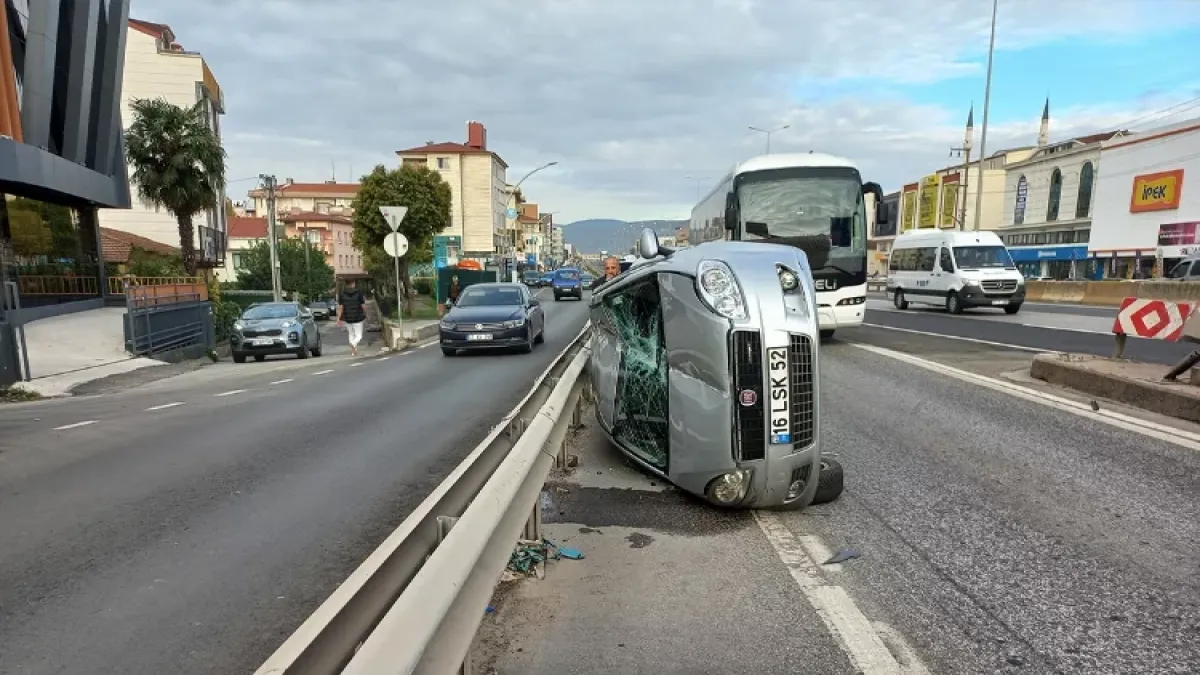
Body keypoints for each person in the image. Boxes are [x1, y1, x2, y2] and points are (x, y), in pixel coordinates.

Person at [337, 279, 367, 356]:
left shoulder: (342, 294)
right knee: (359, 335)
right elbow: (363, 305)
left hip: (347, 317)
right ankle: (353, 344)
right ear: (353, 283)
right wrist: (365, 313)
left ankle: (353, 351)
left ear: (346, 284)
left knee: (351, 334)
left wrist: (339, 318)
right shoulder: (359, 293)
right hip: (358, 317)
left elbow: (340, 307)